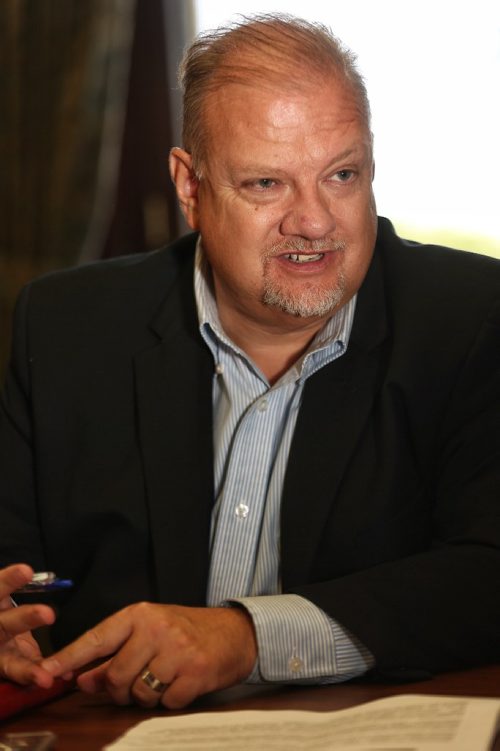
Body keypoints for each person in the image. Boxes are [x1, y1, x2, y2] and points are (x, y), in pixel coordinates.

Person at [0, 13, 499, 710]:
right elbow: (19, 571)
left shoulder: (475, 321)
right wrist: (11, 624)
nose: (316, 221)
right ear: (189, 186)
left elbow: (488, 574)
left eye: (342, 174)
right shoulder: (64, 329)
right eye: (267, 183)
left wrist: (248, 636)